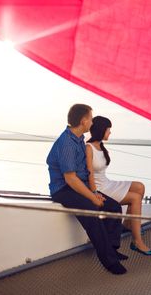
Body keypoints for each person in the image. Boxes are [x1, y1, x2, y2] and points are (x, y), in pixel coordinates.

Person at [47, 104, 127, 274]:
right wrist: (92, 197)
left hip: (78, 186)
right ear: (83, 121)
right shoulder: (67, 143)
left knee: (114, 207)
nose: (92, 122)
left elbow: (84, 173)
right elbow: (70, 179)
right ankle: (109, 262)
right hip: (63, 189)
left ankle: (112, 249)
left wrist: (95, 192)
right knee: (92, 210)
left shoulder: (79, 139)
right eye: (91, 118)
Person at [86, 115, 151, 256]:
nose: (110, 132)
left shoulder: (100, 146)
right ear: (101, 130)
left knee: (140, 186)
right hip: (100, 188)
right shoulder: (88, 147)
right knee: (135, 198)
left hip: (107, 182)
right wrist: (94, 193)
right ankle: (137, 242)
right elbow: (89, 174)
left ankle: (127, 225)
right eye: (108, 130)